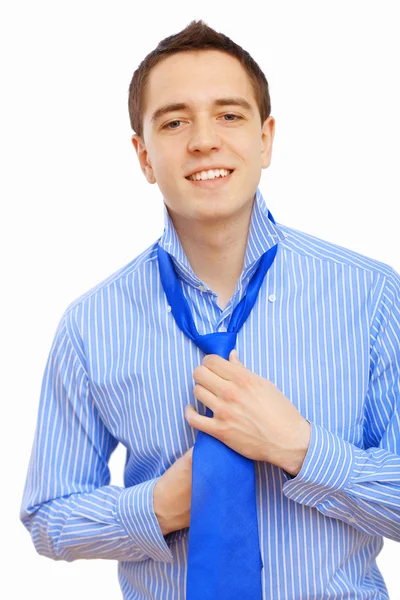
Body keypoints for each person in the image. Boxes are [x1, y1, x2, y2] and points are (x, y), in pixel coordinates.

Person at [20, 19, 400, 600]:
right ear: (143, 155)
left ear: (266, 138)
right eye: (174, 122)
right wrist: (157, 507)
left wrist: (299, 448)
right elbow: (48, 517)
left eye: (229, 115)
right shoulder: (89, 325)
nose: (203, 141)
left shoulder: (371, 296)